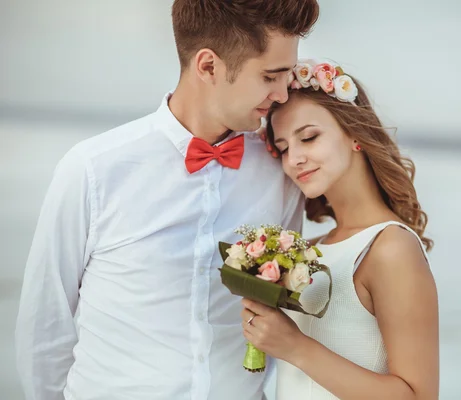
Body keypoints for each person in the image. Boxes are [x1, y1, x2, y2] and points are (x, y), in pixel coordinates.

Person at [14, 2, 319, 399]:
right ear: (208, 66)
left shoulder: (281, 171)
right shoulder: (93, 169)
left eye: (287, 76)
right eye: (269, 77)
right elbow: (44, 328)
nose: (282, 95)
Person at [240, 60, 439, 400]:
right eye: (284, 148)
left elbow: (418, 396)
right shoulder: (308, 250)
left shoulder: (390, 248)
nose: (295, 159)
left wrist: (295, 347)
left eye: (309, 137)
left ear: (355, 136)